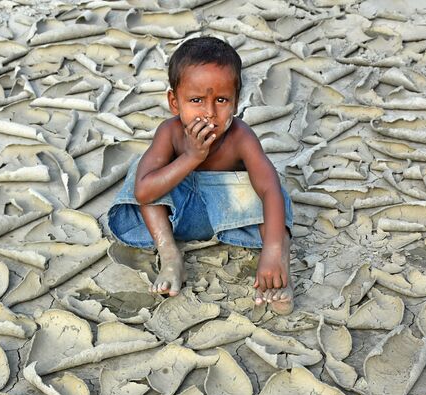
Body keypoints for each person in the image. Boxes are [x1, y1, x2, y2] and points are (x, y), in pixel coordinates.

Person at [107, 36, 294, 314]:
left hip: (229, 216)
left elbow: (269, 190)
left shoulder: (241, 137)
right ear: (174, 102)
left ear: (236, 102)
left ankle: (280, 266)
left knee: (272, 188)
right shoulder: (170, 133)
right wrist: (192, 157)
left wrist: (272, 250)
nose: (209, 113)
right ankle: (170, 256)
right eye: (195, 100)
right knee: (143, 171)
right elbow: (144, 193)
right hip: (178, 216)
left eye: (221, 100)